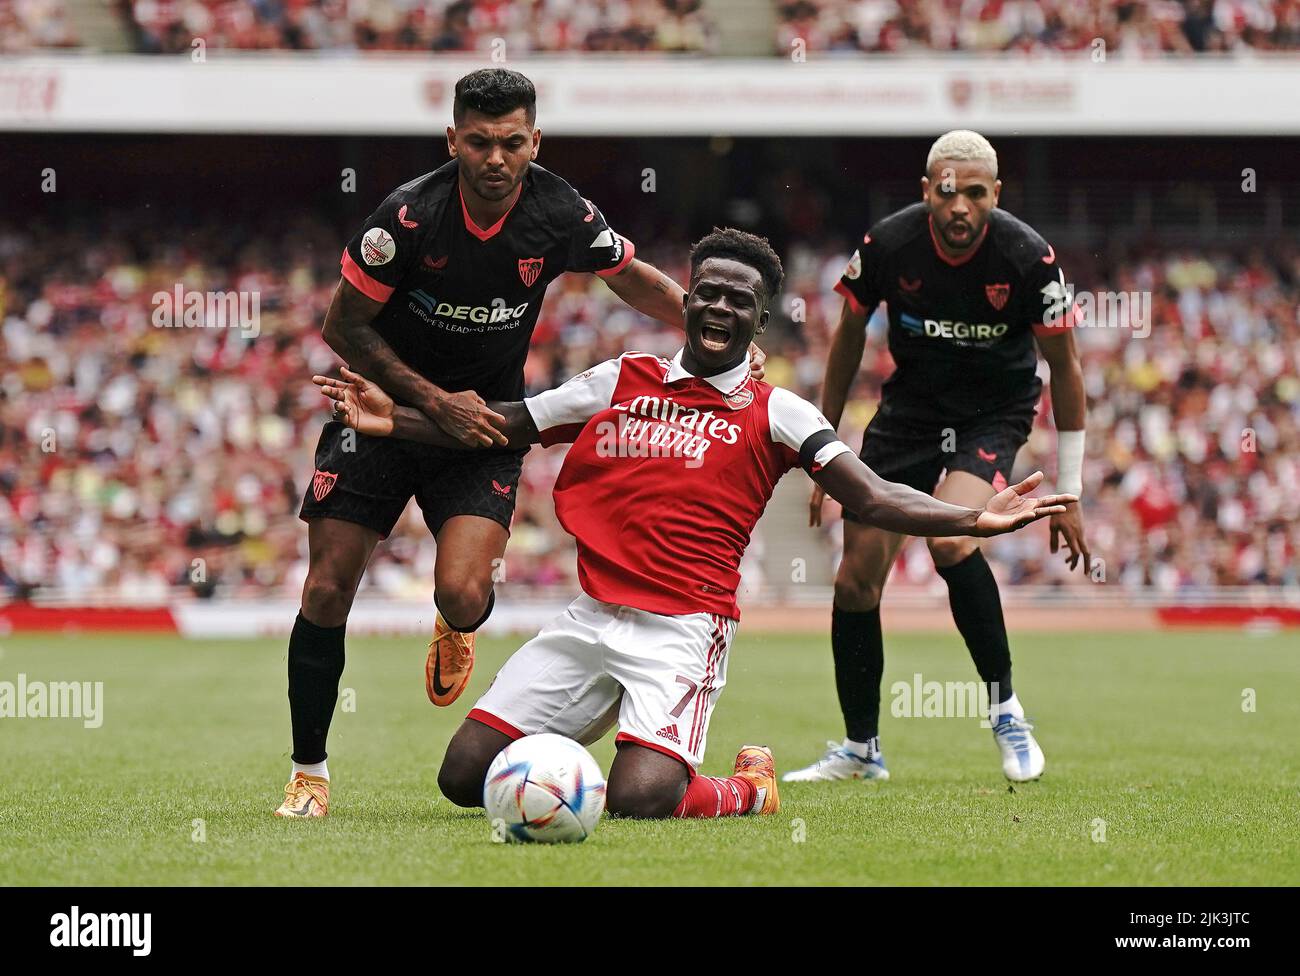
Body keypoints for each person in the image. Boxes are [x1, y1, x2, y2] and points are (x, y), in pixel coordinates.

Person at [314, 228, 1074, 819]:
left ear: (760, 318)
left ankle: (749, 787)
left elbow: (870, 495)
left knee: (643, 799)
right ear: (687, 299)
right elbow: (507, 426)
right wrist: (400, 421)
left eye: (739, 300)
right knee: (461, 778)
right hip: (589, 616)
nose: (719, 307)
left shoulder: (780, 411)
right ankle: (587, 739)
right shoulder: (623, 378)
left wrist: (972, 516)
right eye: (707, 291)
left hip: (684, 628)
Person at [275, 68, 762, 818]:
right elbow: (343, 327)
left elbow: (627, 275)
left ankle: (454, 626)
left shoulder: (559, 210)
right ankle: (309, 773)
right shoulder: (407, 218)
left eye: (512, 142)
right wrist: (433, 401)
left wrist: (715, 333)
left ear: (534, 140)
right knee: (327, 589)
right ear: (453, 140)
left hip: (488, 427)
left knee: (464, 591)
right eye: (479, 142)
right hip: (382, 414)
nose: (496, 158)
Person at [784, 130, 1090, 786]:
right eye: (947, 191)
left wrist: (1071, 491)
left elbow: (1065, 370)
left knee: (954, 542)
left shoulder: (1028, 258)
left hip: (993, 414)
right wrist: (822, 447)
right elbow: (845, 341)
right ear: (928, 191)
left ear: (995, 196)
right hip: (908, 418)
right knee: (854, 580)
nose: (959, 206)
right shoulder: (890, 244)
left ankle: (1006, 710)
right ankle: (861, 750)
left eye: (975, 193)